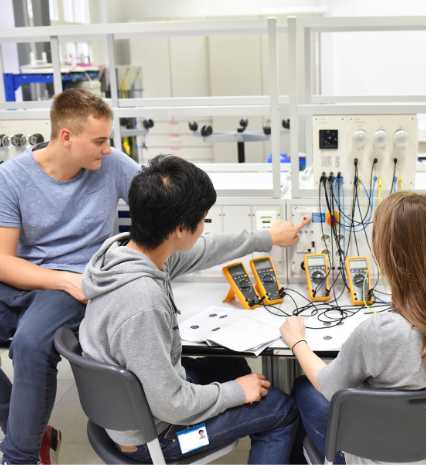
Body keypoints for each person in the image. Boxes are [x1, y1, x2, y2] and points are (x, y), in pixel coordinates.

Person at [79, 155, 310, 464]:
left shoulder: (126, 256)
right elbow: (172, 404)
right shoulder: (141, 302)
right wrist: (235, 394)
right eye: (202, 220)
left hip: (141, 405)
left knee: (231, 368)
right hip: (157, 437)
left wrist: (266, 238)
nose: (204, 227)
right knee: (281, 409)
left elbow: (205, 250)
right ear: (178, 229)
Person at [0, 89, 140, 465]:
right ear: (67, 137)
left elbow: (160, 207)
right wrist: (61, 281)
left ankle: (20, 456)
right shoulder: (10, 177)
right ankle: (33, 434)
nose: (108, 148)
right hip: (24, 276)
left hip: (76, 278)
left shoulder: (113, 164)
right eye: (100, 140)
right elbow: (1, 262)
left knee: (31, 344)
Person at [279, 191, 426, 464]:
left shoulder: (381, 332)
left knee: (302, 388)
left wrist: (297, 341)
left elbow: (328, 385)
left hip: (374, 457)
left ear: (386, 251)